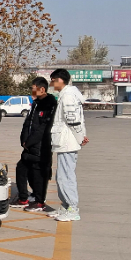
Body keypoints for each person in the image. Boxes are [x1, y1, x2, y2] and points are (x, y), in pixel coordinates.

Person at [10, 77, 57, 212]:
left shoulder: (50, 104)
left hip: (41, 147)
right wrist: (24, 140)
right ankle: (24, 198)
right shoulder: (35, 103)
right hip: (29, 146)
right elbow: (28, 124)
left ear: (42, 89)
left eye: (33, 88)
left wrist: (29, 142)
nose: (32, 91)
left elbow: (43, 128)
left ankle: (39, 201)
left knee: (38, 174)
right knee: (21, 168)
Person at [49, 69, 88, 221]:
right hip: (65, 141)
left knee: (66, 176)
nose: (51, 83)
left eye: (53, 80)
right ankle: (66, 206)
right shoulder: (66, 95)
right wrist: (82, 135)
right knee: (61, 176)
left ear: (60, 80)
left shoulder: (68, 96)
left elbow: (73, 119)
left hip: (68, 141)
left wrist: (79, 137)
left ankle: (73, 208)